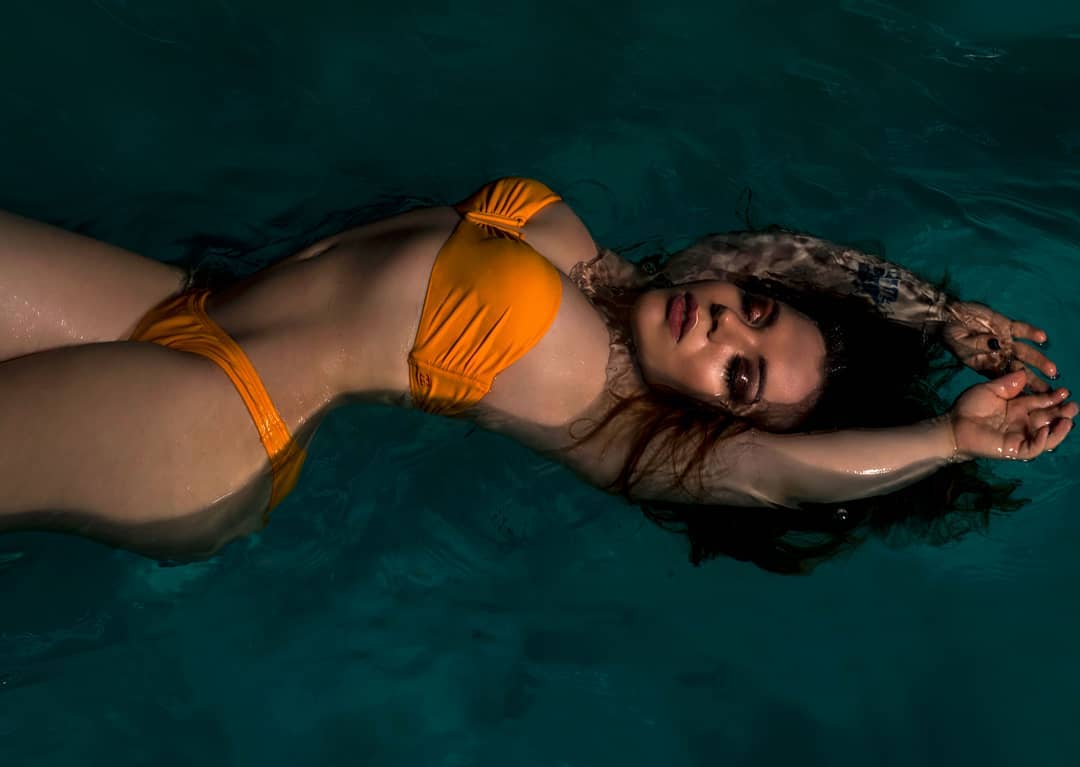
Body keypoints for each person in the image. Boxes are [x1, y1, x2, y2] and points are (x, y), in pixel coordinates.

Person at [0, 177, 1073, 566]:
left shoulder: (608, 412)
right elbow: (783, 255)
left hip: (211, 418)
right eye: (752, 313)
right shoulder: (618, 272)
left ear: (711, 421)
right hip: (183, 308)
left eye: (738, 376)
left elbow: (782, 473)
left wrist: (948, 437)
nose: (721, 329)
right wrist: (930, 310)